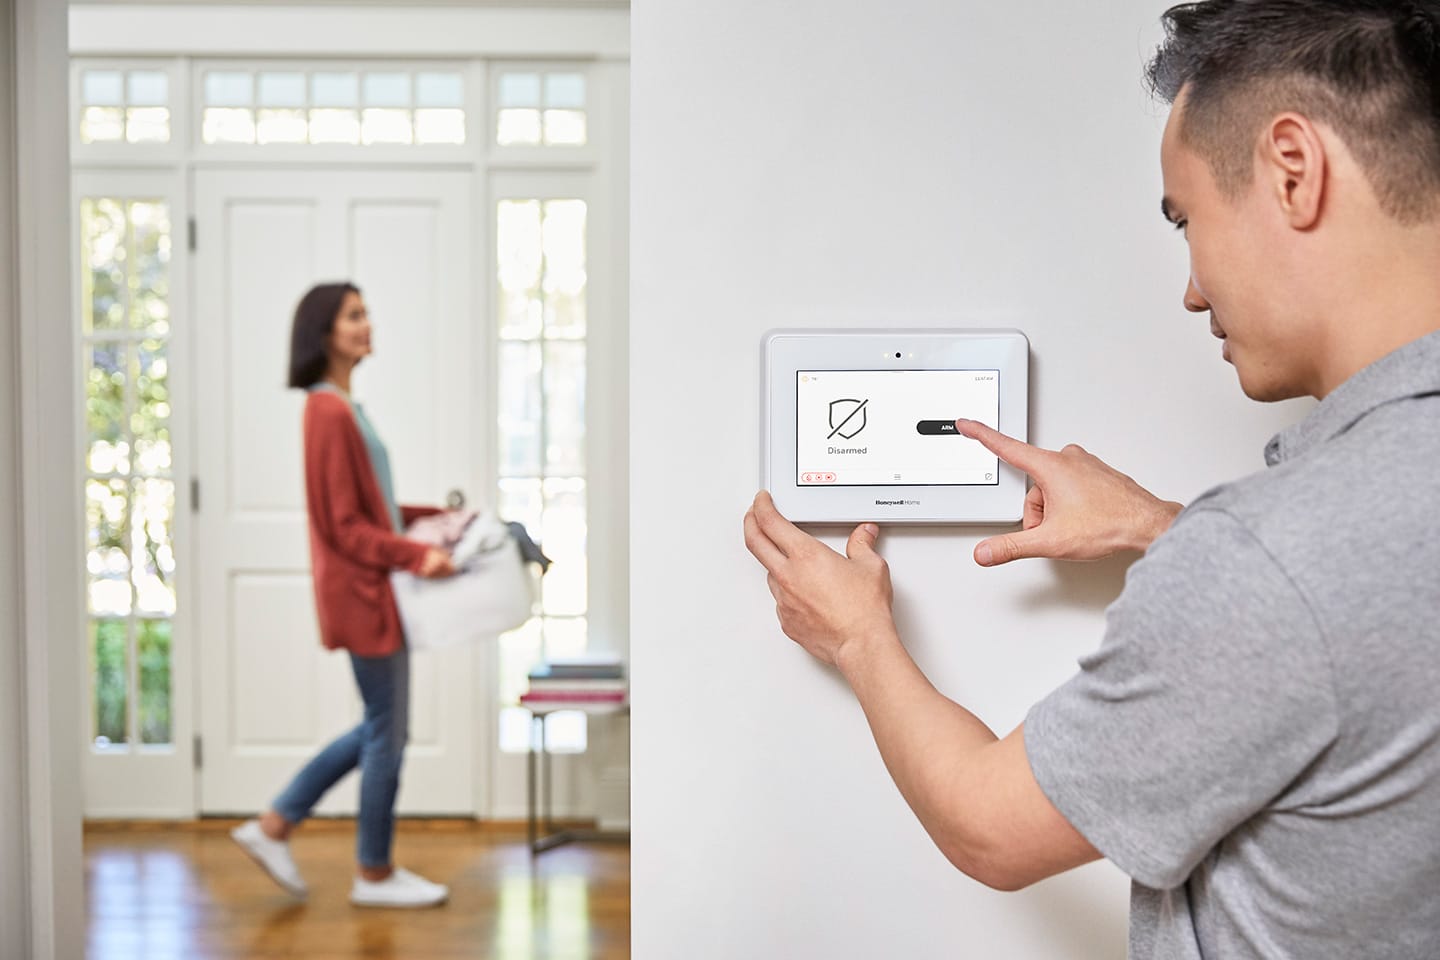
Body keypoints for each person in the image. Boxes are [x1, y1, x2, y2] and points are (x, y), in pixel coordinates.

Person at [743, 2, 1440, 957]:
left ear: (1293, 168)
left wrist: (859, 636)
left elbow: (988, 826)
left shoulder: (1270, 561)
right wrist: (1165, 527)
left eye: (1187, 217)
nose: (1191, 287)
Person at [231, 281, 456, 908]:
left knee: (381, 726)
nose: (367, 324)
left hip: (371, 588)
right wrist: (417, 553)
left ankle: (275, 824)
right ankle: (372, 873)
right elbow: (344, 526)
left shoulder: (347, 407)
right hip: (361, 593)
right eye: (353, 316)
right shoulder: (327, 410)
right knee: (387, 731)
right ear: (323, 333)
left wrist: (435, 517)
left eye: (366, 313)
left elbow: (373, 508)